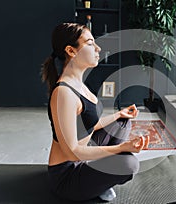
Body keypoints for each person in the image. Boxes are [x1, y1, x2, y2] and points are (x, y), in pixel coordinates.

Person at [41, 22, 149, 202]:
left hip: (83, 156)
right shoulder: (64, 93)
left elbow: (88, 126)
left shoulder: (79, 84)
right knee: (129, 163)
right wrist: (122, 148)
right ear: (71, 51)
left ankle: (98, 177)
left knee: (122, 123)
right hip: (67, 175)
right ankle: (97, 182)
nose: (98, 48)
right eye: (90, 43)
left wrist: (119, 114)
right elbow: (71, 152)